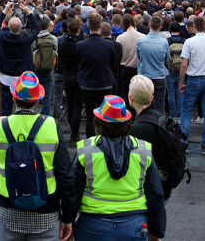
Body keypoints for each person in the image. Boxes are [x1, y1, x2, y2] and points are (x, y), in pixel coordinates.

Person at [0, 71, 75, 241]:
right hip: (46, 215)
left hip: (8, 212)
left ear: (14, 98)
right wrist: (68, 217)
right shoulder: (51, 125)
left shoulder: (1, 126)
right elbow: (65, 175)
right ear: (37, 100)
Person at [70, 95, 166, 241]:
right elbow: (155, 194)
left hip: (92, 224)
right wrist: (156, 231)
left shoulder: (86, 150)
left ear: (99, 122)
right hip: (135, 225)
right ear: (126, 122)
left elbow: (73, 192)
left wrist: (67, 222)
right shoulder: (143, 150)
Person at [178, 16, 205, 155]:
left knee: (186, 111)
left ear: (194, 27)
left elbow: (184, 64)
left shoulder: (189, 42)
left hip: (194, 78)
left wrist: (181, 82)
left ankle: (184, 141)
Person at [77, 13, 117, 138]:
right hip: (105, 83)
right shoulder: (109, 45)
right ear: (100, 26)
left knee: (90, 115)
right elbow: (113, 63)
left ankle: (90, 141)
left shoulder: (80, 45)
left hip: (87, 84)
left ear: (88, 25)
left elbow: (79, 62)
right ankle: (105, 138)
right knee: (105, 114)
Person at [135, 15, 170, 116]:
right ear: (160, 27)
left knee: (142, 105)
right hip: (159, 75)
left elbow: (139, 56)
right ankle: (159, 126)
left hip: (144, 75)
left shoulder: (141, 41)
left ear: (149, 25)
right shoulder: (164, 42)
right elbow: (167, 60)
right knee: (160, 106)